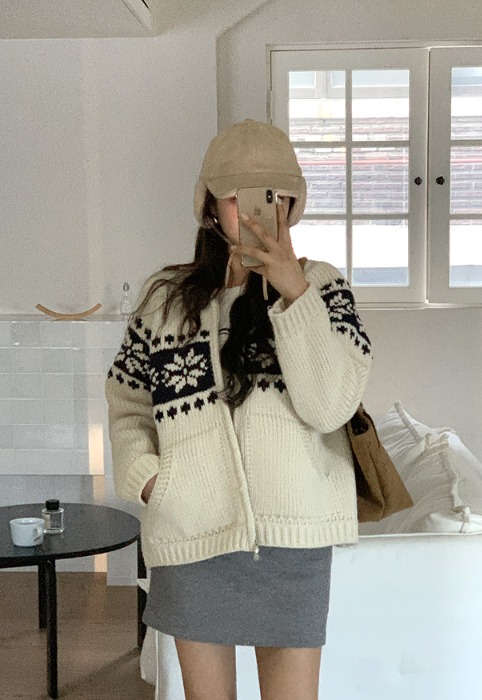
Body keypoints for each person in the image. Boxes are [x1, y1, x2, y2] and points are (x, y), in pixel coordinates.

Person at [106, 119, 372, 700]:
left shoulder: (325, 289)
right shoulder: (164, 300)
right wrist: (151, 479)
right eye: (238, 195)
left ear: (293, 204)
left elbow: (331, 407)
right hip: (192, 533)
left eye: (275, 194)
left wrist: (294, 293)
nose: (257, 210)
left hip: (294, 540)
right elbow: (128, 402)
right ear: (208, 206)